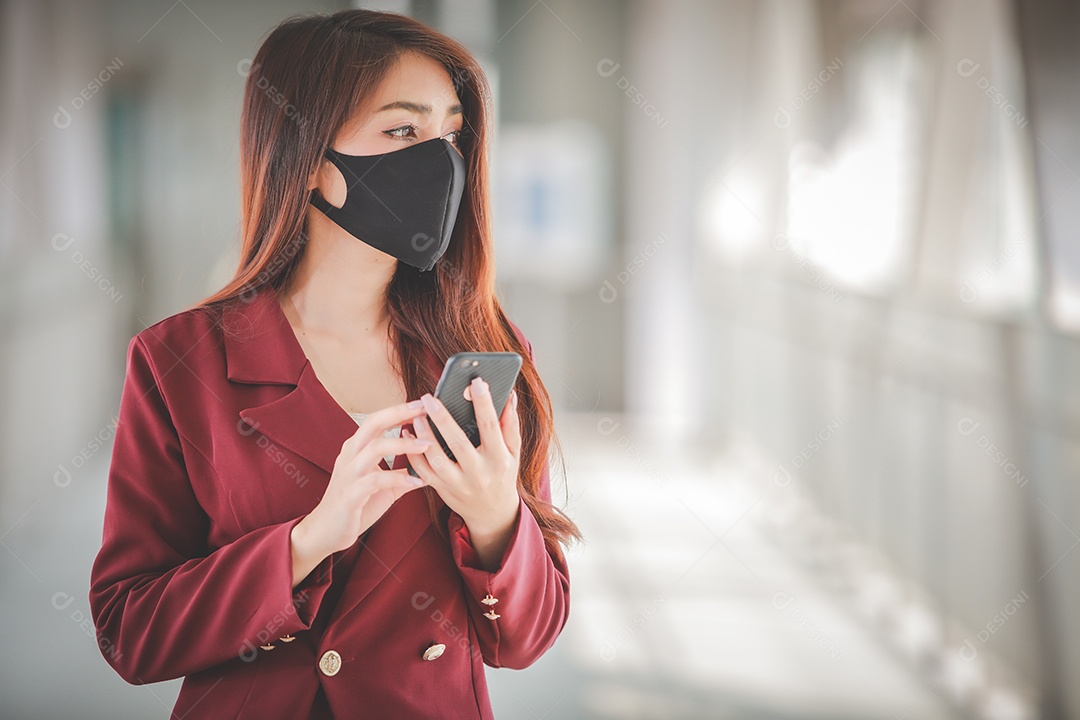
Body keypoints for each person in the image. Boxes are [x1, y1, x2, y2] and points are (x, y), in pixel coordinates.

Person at [88, 9, 580, 719]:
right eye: (404, 130)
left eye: (451, 133)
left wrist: (496, 515)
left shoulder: (486, 351)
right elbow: (130, 630)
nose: (440, 160)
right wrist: (309, 539)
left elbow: (525, 640)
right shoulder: (178, 360)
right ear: (308, 155)